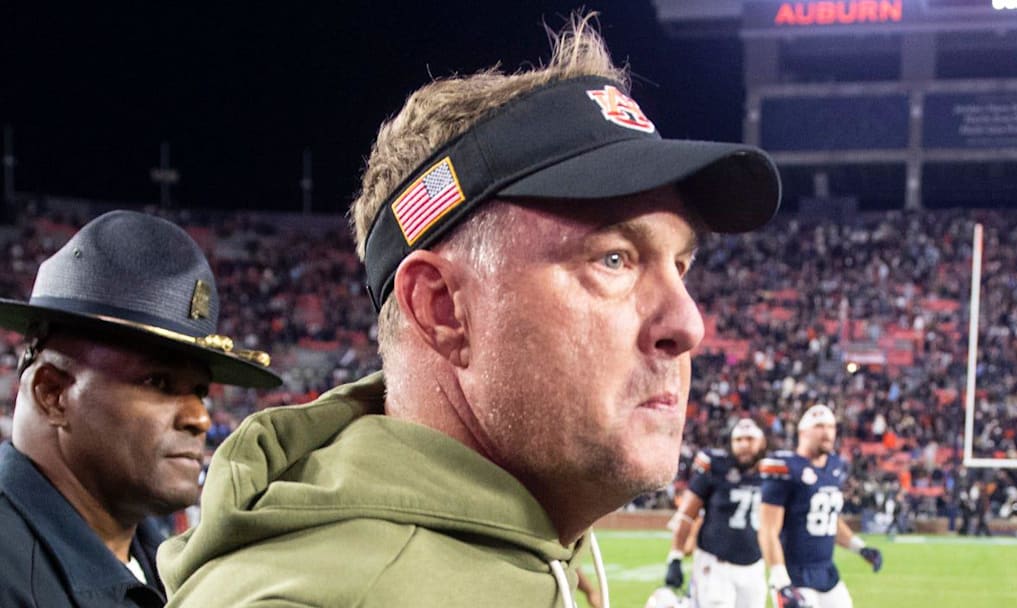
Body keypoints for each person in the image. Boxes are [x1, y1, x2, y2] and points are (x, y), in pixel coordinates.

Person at [159, 14, 781, 608]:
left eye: (681, 266)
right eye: (613, 259)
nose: (689, 324)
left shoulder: (521, 542)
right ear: (442, 308)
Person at [0, 210, 281, 607]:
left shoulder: (160, 563)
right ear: (53, 394)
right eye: (158, 382)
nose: (198, 418)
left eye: (199, 391)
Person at [757, 405, 883, 608]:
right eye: (819, 426)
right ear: (802, 432)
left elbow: (829, 519)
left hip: (826, 573)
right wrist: (781, 582)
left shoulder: (834, 466)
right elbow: (768, 531)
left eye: (831, 426)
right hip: (794, 575)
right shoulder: (784, 467)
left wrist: (861, 548)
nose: (826, 432)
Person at [664, 418, 769, 608]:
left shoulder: (772, 473)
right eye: (738, 440)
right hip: (715, 564)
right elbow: (687, 515)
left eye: (749, 439)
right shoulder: (716, 466)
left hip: (754, 565)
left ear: (762, 442)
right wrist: (675, 557)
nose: (744, 445)